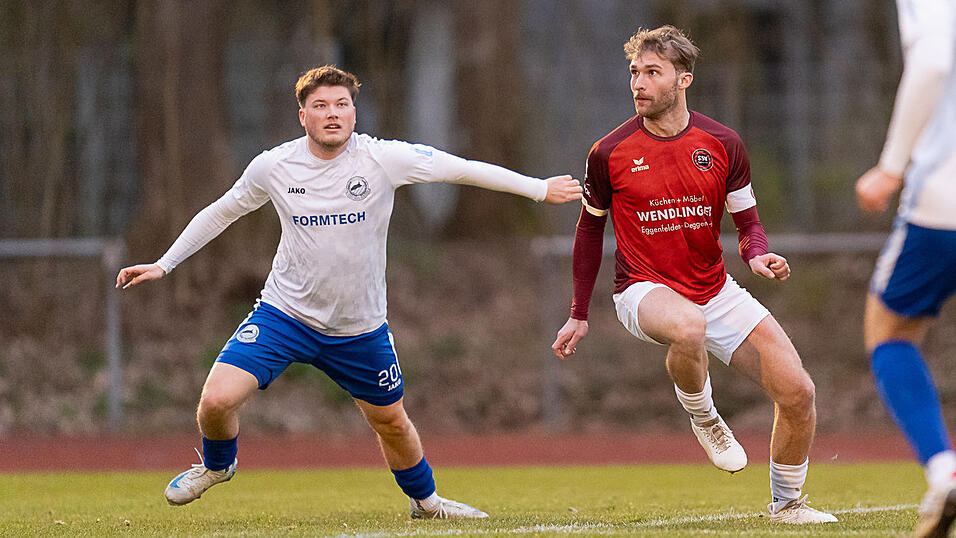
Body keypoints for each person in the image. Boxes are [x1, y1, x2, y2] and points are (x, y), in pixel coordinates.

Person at [116, 65, 582, 519]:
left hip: (359, 328)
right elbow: (223, 210)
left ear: (354, 113)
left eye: (342, 104)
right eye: (320, 106)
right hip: (285, 316)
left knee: (391, 422)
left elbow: (458, 169)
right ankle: (218, 465)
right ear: (303, 116)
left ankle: (427, 503)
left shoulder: (382, 159)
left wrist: (537, 189)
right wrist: (164, 263)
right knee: (216, 401)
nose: (333, 113)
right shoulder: (274, 166)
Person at [550, 26, 837, 524]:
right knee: (688, 326)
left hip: (715, 290)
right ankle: (705, 418)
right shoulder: (609, 152)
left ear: (684, 80)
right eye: (634, 72)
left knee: (799, 393)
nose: (638, 83)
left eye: (652, 73)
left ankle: (787, 504)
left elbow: (748, 224)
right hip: (642, 290)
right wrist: (578, 312)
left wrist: (757, 255)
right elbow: (589, 232)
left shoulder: (723, 143)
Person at [853, 1, 956, 535]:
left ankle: (944, 471)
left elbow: (934, 61)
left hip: (945, 197)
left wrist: (891, 167)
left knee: (890, 331)